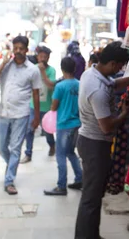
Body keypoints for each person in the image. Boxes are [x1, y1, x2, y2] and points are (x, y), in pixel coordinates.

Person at [75, 41, 129, 238]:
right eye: (119, 66)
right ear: (111, 63)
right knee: (91, 198)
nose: (120, 70)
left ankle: (91, 234)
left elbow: (115, 83)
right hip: (95, 145)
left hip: (91, 141)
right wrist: (124, 114)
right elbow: (107, 126)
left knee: (93, 195)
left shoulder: (92, 73)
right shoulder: (98, 90)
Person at [0, 35, 41, 195]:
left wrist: (37, 117)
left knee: (16, 148)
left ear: (26, 50)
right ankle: (11, 163)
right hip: (3, 112)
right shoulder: (4, 66)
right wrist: (3, 63)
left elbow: (36, 94)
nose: (18, 51)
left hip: (21, 114)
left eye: (21, 48)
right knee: (1, 146)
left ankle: (9, 180)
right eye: (15, 48)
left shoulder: (33, 70)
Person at [44, 57, 82, 196]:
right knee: (71, 153)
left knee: (60, 155)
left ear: (62, 69)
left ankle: (61, 186)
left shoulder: (60, 86)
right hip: (77, 124)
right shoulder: (79, 84)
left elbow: (54, 106)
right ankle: (80, 179)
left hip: (64, 124)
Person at [21, 45, 56, 163]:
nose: (43, 59)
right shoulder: (32, 68)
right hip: (33, 106)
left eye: (45, 57)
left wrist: (43, 72)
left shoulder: (51, 70)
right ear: (37, 57)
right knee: (29, 130)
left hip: (46, 107)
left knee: (48, 132)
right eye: (41, 57)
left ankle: (52, 145)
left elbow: (51, 85)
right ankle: (28, 153)